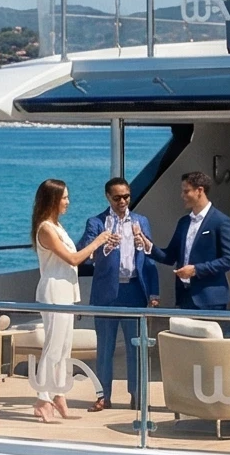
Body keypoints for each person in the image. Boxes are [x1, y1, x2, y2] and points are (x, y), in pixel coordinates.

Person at [79, 177, 158, 411]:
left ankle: (137, 395)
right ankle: (104, 396)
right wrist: (104, 246)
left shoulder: (141, 221)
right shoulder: (96, 222)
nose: (123, 201)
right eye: (117, 197)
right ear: (108, 197)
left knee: (136, 347)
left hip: (134, 290)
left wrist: (154, 292)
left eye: (126, 196)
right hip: (107, 293)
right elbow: (83, 251)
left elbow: (149, 258)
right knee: (105, 348)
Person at [28, 178, 98, 424]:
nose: (68, 202)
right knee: (53, 346)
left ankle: (58, 394)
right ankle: (42, 399)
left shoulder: (57, 226)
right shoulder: (46, 228)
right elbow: (73, 258)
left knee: (65, 346)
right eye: (64, 197)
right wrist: (97, 241)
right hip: (54, 290)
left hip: (65, 290)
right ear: (53, 200)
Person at [156, 170, 230, 313]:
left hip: (211, 299)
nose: (182, 196)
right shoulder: (184, 222)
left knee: (211, 336)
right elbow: (170, 256)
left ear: (199, 190)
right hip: (185, 296)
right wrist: (147, 246)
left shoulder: (221, 221)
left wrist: (195, 270)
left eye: (186, 191)